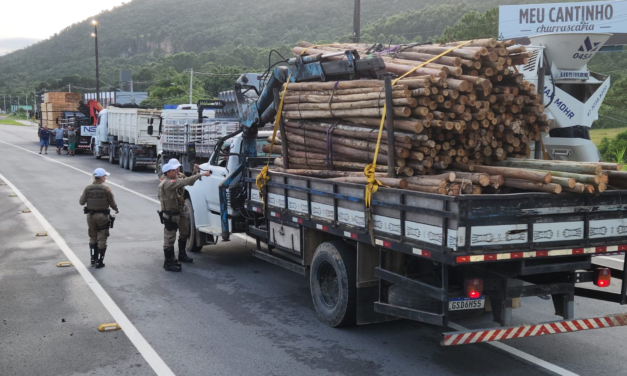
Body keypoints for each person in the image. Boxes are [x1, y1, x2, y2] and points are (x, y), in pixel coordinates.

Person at [158, 163, 210, 272]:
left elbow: (186, 180)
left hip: (177, 211)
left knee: (184, 231)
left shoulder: (174, 178)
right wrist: (201, 175)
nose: (176, 171)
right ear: (168, 172)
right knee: (169, 238)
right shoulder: (168, 182)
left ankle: (178, 256)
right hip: (170, 214)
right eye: (173, 170)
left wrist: (195, 173)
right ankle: (168, 262)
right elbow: (185, 181)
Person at [79, 168, 119, 268]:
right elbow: (111, 201)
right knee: (102, 238)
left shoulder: (87, 188)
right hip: (102, 216)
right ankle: (99, 261)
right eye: (105, 176)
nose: (105, 177)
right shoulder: (106, 188)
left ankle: (93, 258)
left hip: (90, 217)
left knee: (93, 237)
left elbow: (81, 202)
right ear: (101, 177)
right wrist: (116, 208)